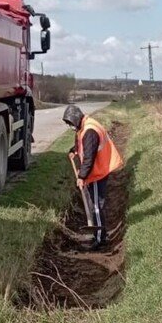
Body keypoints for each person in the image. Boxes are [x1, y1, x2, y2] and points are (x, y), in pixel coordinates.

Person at [63, 105, 123, 249]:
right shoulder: (85, 125)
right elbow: (83, 144)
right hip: (96, 170)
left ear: (76, 119)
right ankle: (100, 234)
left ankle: (100, 239)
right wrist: (75, 150)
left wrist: (82, 176)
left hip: (98, 172)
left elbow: (89, 157)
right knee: (95, 203)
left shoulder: (90, 131)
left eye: (71, 123)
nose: (71, 127)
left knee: (96, 206)